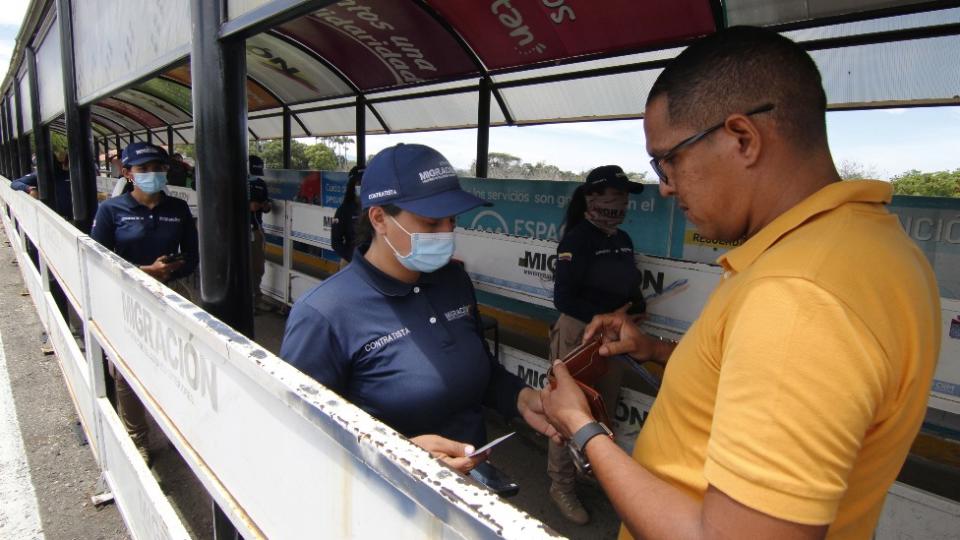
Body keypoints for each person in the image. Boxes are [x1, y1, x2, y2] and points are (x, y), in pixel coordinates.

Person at [540, 26, 940, 540]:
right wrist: (655, 348)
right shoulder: (872, 249)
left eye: (669, 160)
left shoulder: (799, 297)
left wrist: (582, 427)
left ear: (742, 139)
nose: (664, 187)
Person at [281, 143, 558, 474]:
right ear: (380, 218)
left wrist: (520, 397)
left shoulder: (453, 281)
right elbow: (298, 431)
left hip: (473, 489)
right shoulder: (325, 314)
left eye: (451, 220)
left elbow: (476, 368)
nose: (446, 233)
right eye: (431, 223)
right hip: (388, 502)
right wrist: (395, 455)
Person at [546, 165, 644, 525]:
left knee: (602, 410)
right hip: (578, 335)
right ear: (591, 198)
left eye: (624, 197)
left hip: (614, 338)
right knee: (568, 412)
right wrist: (603, 314)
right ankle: (561, 485)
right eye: (613, 195)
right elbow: (563, 298)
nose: (621, 203)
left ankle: (591, 470)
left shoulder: (622, 240)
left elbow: (631, 288)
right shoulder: (576, 240)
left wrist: (636, 307)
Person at [90, 142, 199, 464]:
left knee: (180, 361)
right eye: (144, 169)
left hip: (170, 292)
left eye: (159, 168)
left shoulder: (177, 209)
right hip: (126, 295)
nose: (153, 174)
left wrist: (171, 269)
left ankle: (183, 427)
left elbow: (193, 254)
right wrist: (143, 272)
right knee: (126, 369)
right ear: (127, 173)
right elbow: (99, 258)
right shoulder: (111, 210)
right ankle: (138, 438)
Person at [248, 155, 273, 310]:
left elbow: (267, 203)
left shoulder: (261, 184)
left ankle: (255, 301)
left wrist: (265, 206)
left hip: (255, 230)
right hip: (236, 232)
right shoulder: (234, 182)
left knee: (258, 266)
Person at [331, 164, 365, 267]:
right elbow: (336, 242)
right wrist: (352, 258)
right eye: (359, 183)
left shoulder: (375, 208)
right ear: (352, 186)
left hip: (374, 262)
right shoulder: (344, 210)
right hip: (351, 262)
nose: (362, 186)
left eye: (365, 183)